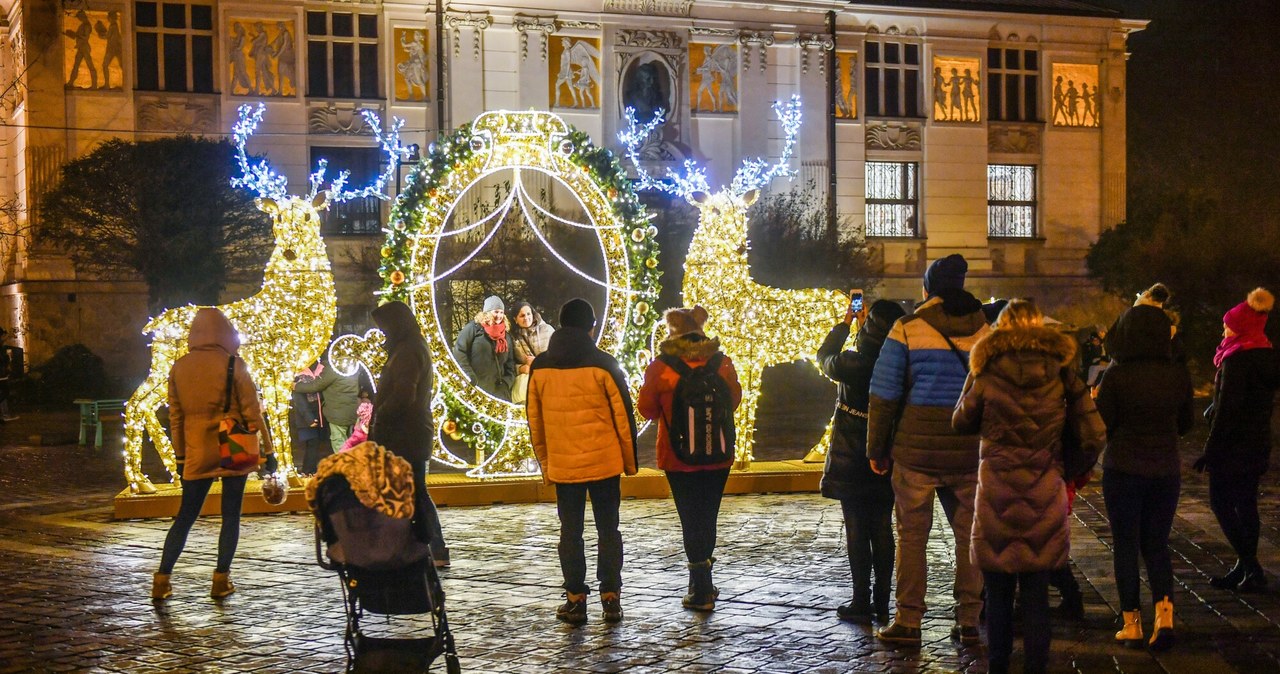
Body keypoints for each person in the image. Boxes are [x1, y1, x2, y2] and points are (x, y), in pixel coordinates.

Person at [952, 300, 1105, 674]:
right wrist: (1067, 469)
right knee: (1037, 597)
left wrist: (976, 382)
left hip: (997, 493)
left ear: (1001, 327)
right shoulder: (1060, 370)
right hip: (1043, 488)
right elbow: (1094, 433)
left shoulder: (985, 368)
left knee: (1000, 596)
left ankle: (999, 668)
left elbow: (960, 421)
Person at [866, 254, 992, 646]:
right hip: (969, 450)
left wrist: (876, 448)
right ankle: (970, 619)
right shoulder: (986, 329)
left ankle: (909, 620)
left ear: (928, 288)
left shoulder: (907, 328)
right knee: (969, 536)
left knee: (912, 536)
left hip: (915, 452)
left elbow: (884, 394)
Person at [527, 298, 638, 625]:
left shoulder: (541, 367)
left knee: (570, 533)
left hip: (564, 465)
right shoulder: (604, 364)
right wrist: (629, 464)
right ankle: (611, 598)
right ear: (591, 326)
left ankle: (575, 599)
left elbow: (535, 421)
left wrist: (547, 463)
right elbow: (623, 418)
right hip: (604, 463)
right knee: (608, 529)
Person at [152, 308, 276, 600]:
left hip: (196, 450)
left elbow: (176, 417)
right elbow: (253, 413)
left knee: (185, 516)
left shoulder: (179, 367)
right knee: (230, 515)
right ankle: (221, 580)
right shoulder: (235, 364)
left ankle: (162, 580)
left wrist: (181, 456)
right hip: (233, 446)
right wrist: (268, 450)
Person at [1094, 297, 1193, 650]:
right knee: (1157, 544)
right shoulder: (1177, 375)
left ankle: (1132, 622)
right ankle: (1164, 618)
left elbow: (1103, 422)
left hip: (1123, 468)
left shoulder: (1116, 375)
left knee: (1125, 544)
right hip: (1165, 469)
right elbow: (1186, 424)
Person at [638, 306, 742, 612]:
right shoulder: (721, 362)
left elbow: (647, 409)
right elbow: (734, 399)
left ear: (674, 333)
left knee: (689, 516)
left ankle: (700, 589)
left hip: (677, 455)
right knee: (708, 514)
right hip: (718, 454)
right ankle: (705, 582)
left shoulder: (661, 367)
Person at [817, 298, 905, 624]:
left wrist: (845, 324)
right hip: (886, 455)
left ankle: (860, 599)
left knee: (856, 528)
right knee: (882, 526)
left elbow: (823, 357)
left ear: (868, 329)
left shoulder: (854, 363)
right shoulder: (900, 366)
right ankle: (883, 601)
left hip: (851, 458)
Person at [1197, 288, 1279, 593]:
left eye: (1228, 323)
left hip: (1233, 446)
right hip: (1257, 442)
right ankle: (1244, 567)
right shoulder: (1265, 354)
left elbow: (1229, 409)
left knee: (1220, 503)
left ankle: (1251, 566)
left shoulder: (1236, 359)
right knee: (1246, 504)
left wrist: (1210, 450)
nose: (1224, 328)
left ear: (1241, 325)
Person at [369, 301, 449, 567]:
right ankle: (429, 547)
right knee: (415, 491)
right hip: (408, 431)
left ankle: (433, 547)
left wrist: (382, 414)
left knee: (415, 492)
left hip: (406, 432)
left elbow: (404, 394)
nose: (383, 333)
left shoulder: (407, 351)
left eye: (384, 327)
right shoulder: (408, 347)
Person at [453, 295, 516, 401]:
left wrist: (506, 383)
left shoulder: (506, 336)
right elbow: (459, 352)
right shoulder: (473, 328)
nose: (499, 315)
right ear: (487, 312)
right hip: (476, 388)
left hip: (499, 392)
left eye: (501, 312)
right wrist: (469, 376)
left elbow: (510, 363)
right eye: (496, 311)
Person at [293, 361, 361, 454]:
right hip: (352, 411)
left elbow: (315, 385)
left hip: (337, 414)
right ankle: (352, 464)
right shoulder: (354, 367)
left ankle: (344, 466)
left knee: (339, 443)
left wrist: (296, 386)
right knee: (350, 441)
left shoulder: (334, 369)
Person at [511, 301, 554, 403]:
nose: (526, 318)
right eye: (522, 316)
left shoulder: (547, 330)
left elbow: (560, 357)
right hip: (528, 387)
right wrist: (521, 369)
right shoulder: (512, 338)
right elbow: (508, 363)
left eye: (528, 314)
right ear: (515, 319)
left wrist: (538, 362)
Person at [291, 363, 328, 474]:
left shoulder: (322, 369)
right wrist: (309, 418)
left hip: (321, 414)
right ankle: (308, 471)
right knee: (312, 443)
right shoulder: (298, 374)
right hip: (306, 416)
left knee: (317, 444)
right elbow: (299, 399)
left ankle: (312, 470)